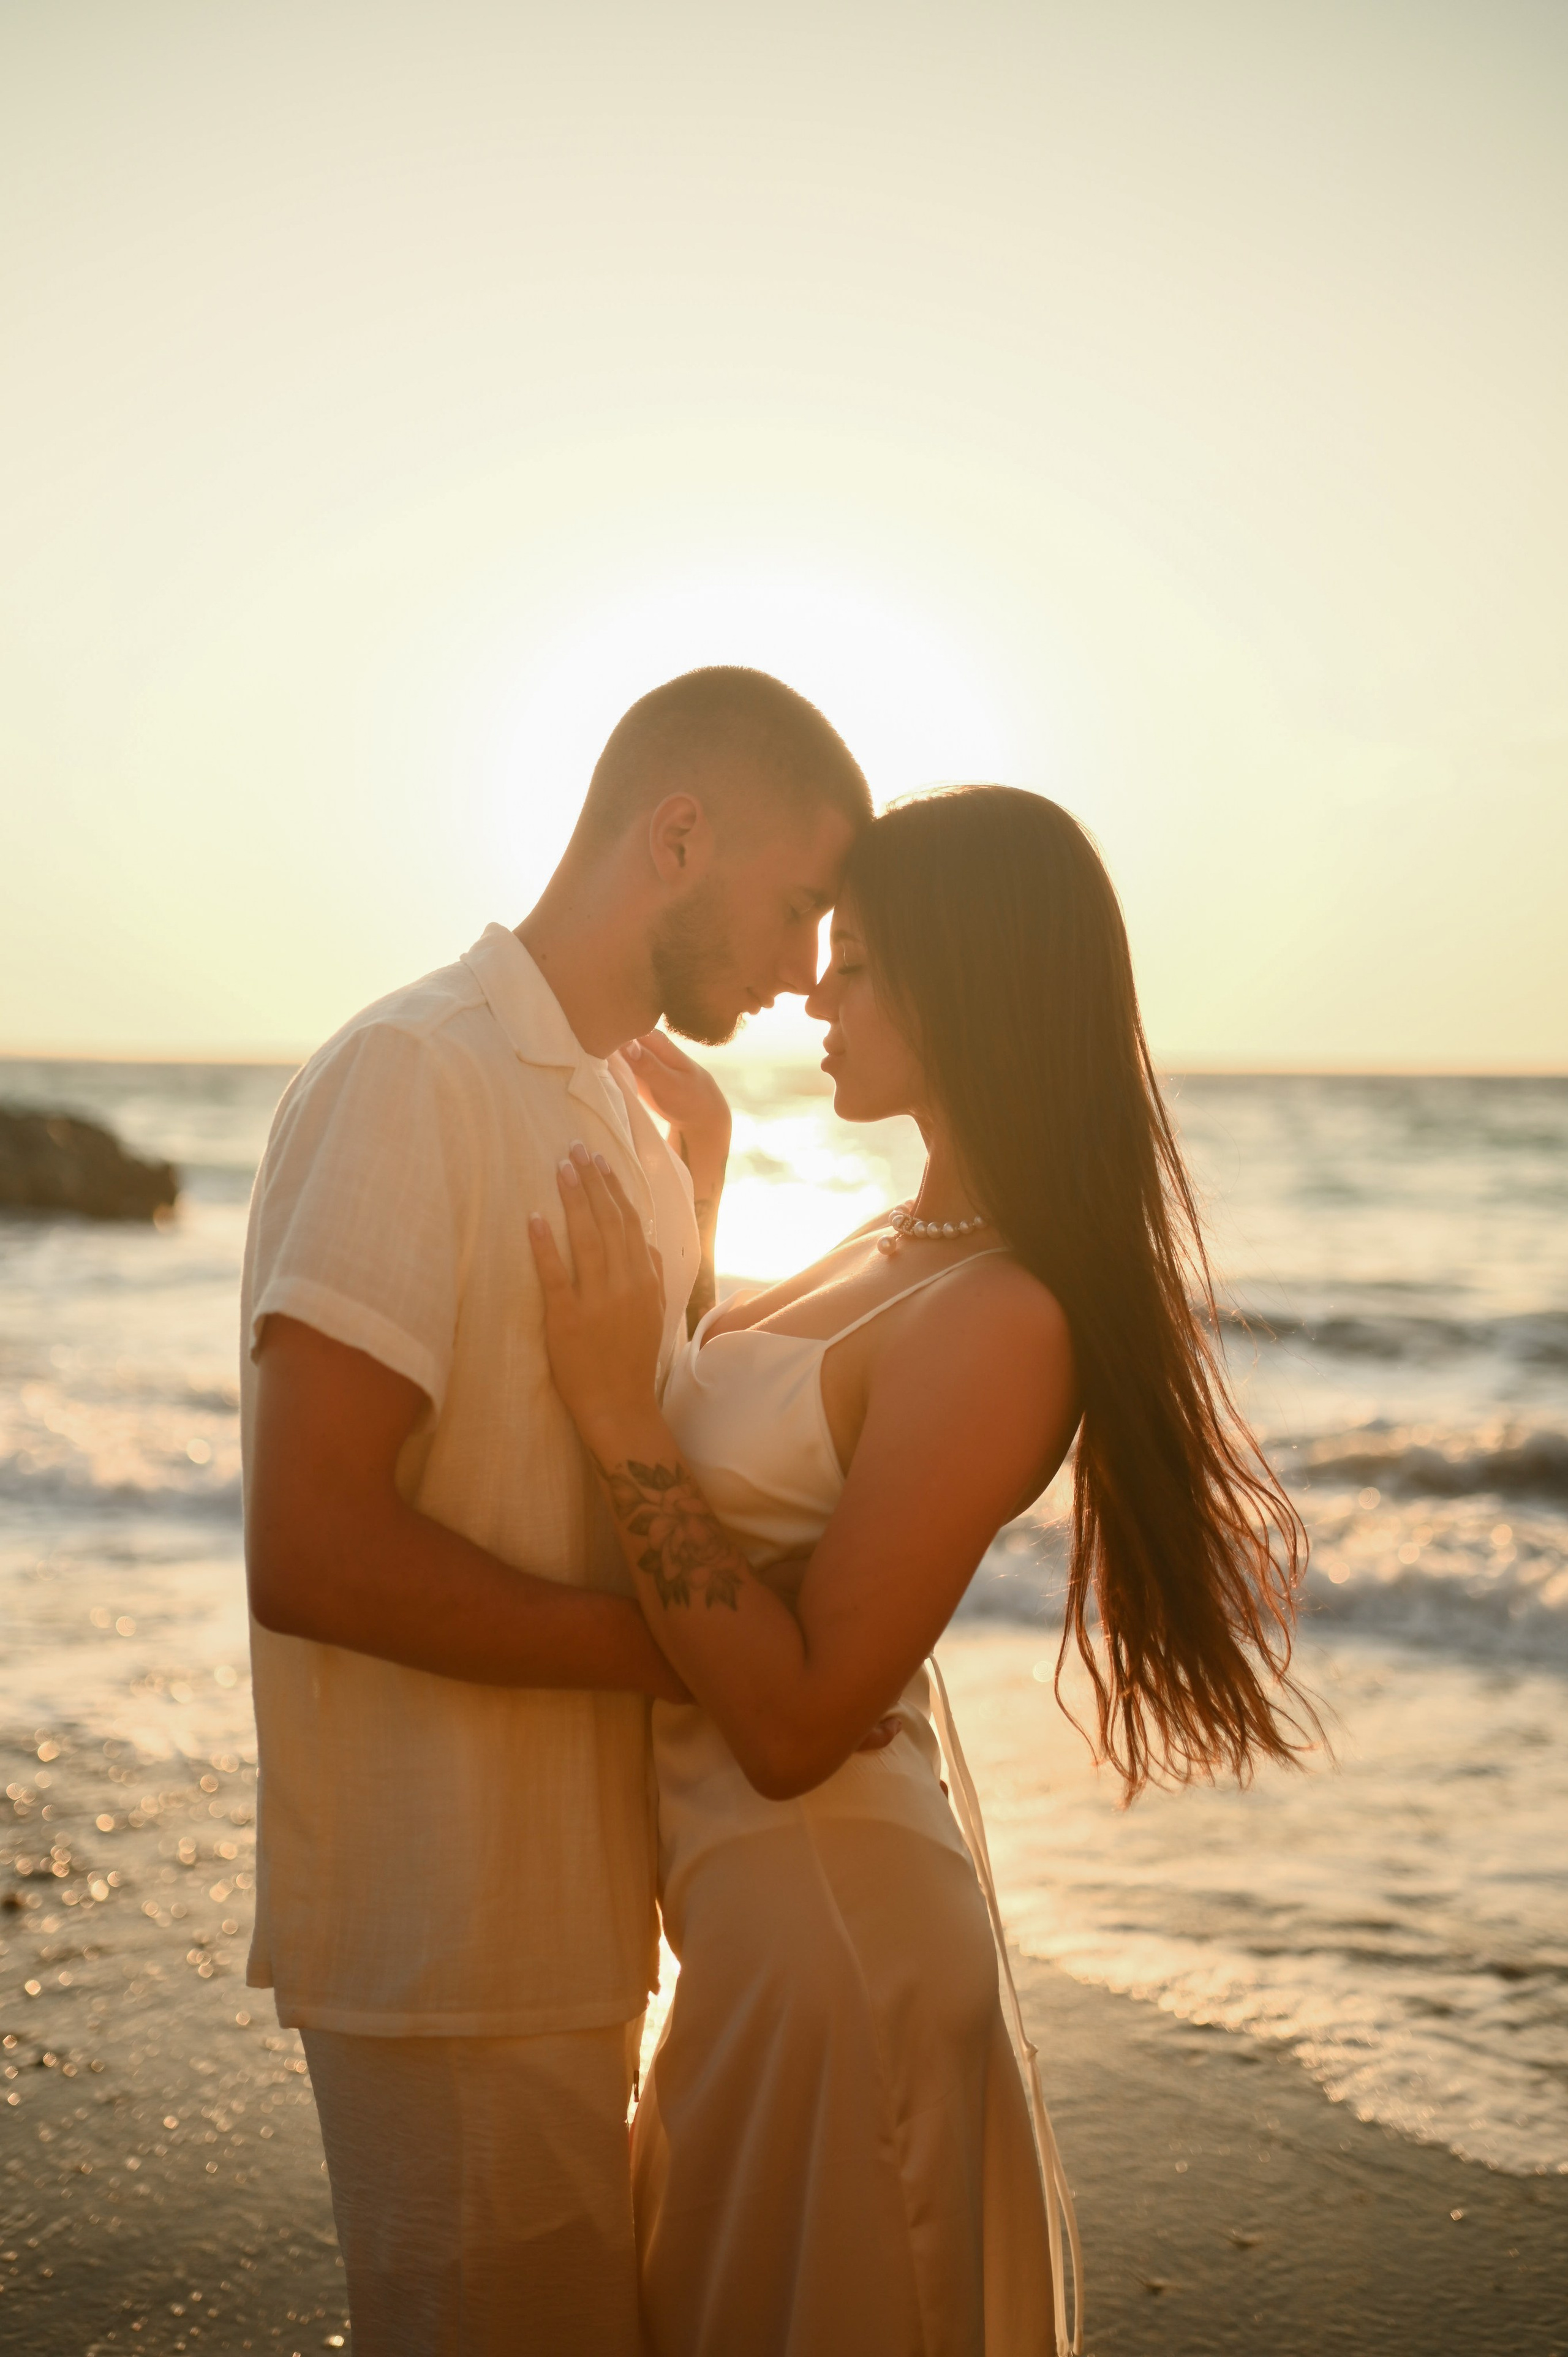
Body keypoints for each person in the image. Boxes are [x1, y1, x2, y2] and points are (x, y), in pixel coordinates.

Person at [530, 783, 1311, 2357]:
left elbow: (801, 1716)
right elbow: (749, 1444)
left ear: (968, 990)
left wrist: (615, 1407)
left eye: (863, 964)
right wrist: (698, 1169)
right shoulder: (904, 1241)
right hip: (758, 1940)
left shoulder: (1003, 1318)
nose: (817, 987)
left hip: (835, 1947)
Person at [239, 666, 873, 2355]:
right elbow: (309, 1544)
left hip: (588, 1916)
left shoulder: (628, 1118)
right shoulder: (413, 1075)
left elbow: (638, 1447)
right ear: (679, 837)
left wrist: (709, 1199)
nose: (811, 965)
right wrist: (677, 1659)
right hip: (444, 1924)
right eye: (801, 902)